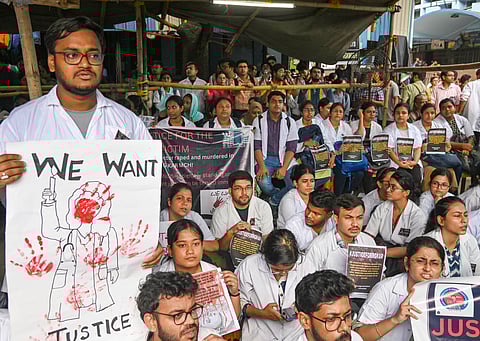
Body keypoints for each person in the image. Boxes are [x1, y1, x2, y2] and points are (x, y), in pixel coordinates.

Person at [0, 16, 151, 194]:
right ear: (51, 62)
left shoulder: (129, 123)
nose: (85, 64)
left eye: (94, 55)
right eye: (72, 55)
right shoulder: (20, 124)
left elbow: (147, 189)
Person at [355, 236, 444, 341]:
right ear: (407, 263)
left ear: (442, 268)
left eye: (434, 263)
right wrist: (394, 320)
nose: (427, 268)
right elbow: (359, 336)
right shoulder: (385, 289)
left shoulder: (448, 292)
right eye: (420, 261)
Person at [235, 229, 314, 341]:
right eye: (276, 269)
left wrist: (301, 307)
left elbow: (316, 298)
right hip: (259, 333)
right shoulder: (249, 265)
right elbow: (239, 303)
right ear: (266, 258)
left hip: (297, 334)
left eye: (289, 269)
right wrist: (262, 313)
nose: (283, 273)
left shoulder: (307, 265)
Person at [153, 219, 240, 317]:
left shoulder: (213, 272)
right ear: (170, 250)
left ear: (202, 246)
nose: (190, 251)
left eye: (196, 244)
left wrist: (234, 293)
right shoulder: (159, 278)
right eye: (182, 245)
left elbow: (233, 318)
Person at [305, 194, 376, 288]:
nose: (355, 224)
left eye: (359, 218)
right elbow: (308, 283)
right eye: (348, 218)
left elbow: (378, 275)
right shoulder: (318, 246)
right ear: (336, 218)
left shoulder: (368, 241)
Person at [365, 170, 427, 276]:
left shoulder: (417, 216)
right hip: (380, 250)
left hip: (402, 257)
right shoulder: (382, 207)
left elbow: (410, 249)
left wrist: (380, 253)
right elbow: (368, 235)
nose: (388, 190)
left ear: (406, 193)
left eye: (393, 187)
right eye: (388, 185)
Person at [136, 271, 224, 341]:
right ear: (151, 322)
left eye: (192, 310)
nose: (191, 321)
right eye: (177, 315)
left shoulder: (208, 335)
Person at [254, 91, 299, 206]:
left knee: (294, 183)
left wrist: (284, 168)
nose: (277, 104)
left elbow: (291, 148)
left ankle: (274, 200)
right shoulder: (258, 120)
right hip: (265, 158)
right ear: (267, 103)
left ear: (284, 104)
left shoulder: (290, 121)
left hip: (284, 158)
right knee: (264, 183)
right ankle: (276, 194)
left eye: (280, 102)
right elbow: (256, 146)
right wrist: (262, 166)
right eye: (273, 101)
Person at [211, 170, 273, 252]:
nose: (244, 192)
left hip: (258, 256)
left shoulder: (263, 207)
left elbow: (267, 241)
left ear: (253, 189)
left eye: (248, 188)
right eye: (238, 188)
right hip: (230, 258)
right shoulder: (220, 212)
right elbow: (220, 247)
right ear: (230, 191)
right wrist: (231, 232)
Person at [295, 270, 363, 341]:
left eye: (347, 316)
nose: (345, 327)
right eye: (331, 319)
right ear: (305, 321)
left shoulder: (355, 338)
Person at [424, 197, 480, 277]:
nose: (464, 220)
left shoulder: (470, 240)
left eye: (466, 215)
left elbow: (477, 274)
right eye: (457, 216)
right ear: (441, 220)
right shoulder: (427, 243)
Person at [413, 102, 461, 187]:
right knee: (452, 165)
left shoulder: (439, 126)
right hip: (422, 155)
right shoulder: (414, 127)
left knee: (458, 164)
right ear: (421, 113)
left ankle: (453, 192)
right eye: (426, 113)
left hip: (438, 154)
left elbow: (447, 144)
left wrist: (446, 146)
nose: (429, 116)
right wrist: (422, 147)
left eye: (432, 113)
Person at [160, 183, 218, 252]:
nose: (185, 203)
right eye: (179, 198)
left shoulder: (194, 217)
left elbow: (214, 245)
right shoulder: (159, 219)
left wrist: (192, 243)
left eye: (189, 200)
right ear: (169, 202)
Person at [322, 103, 364, 195]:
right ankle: (338, 196)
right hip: (329, 156)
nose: (338, 113)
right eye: (335, 111)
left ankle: (347, 193)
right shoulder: (322, 125)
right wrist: (336, 152)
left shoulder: (345, 126)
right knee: (341, 173)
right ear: (330, 113)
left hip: (344, 157)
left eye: (340, 111)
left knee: (359, 173)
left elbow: (352, 140)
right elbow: (324, 142)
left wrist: (356, 147)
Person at [383, 103, 423, 199]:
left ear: (408, 115)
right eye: (398, 113)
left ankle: (413, 200)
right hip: (395, 162)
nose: (400, 115)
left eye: (403, 113)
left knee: (416, 176)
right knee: (401, 178)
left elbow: (417, 148)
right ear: (393, 115)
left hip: (411, 161)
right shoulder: (388, 130)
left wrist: (415, 161)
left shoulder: (414, 129)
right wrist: (400, 163)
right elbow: (390, 150)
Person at [295, 101, 324, 171]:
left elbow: (325, 139)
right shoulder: (295, 125)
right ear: (301, 112)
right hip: (300, 155)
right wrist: (304, 143)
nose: (309, 112)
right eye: (306, 110)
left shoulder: (318, 123)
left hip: (318, 153)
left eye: (312, 110)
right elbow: (292, 146)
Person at [459, 76, 480, 142]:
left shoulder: (471, 84)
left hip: (472, 115)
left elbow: (464, 98)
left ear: (478, 75)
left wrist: (460, 112)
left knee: (472, 138)